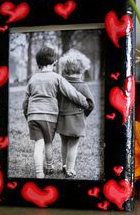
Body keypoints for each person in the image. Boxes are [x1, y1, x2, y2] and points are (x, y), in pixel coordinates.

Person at [22, 46, 89, 179]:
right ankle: (49, 166)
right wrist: (84, 102)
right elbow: (71, 93)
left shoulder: (32, 79)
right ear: (54, 63)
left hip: (33, 116)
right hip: (49, 117)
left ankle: (39, 173)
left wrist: (27, 115)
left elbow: (25, 101)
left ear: (38, 64)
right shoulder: (57, 78)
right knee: (48, 143)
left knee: (38, 144)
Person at [57, 49, 95, 178]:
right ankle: (70, 169)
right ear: (82, 70)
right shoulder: (83, 86)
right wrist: (84, 115)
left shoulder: (60, 85)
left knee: (64, 143)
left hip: (61, 121)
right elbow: (91, 104)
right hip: (76, 121)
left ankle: (63, 165)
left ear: (65, 70)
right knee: (73, 146)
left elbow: (56, 101)